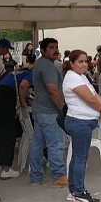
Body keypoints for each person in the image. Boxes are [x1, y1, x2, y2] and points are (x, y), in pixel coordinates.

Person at [63, 50, 101, 202]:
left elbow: (94, 94)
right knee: (80, 158)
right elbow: (89, 99)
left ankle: (73, 190)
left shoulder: (81, 76)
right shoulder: (72, 78)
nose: (84, 64)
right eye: (80, 62)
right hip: (80, 121)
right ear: (71, 63)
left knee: (77, 157)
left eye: (85, 61)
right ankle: (79, 193)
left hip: (83, 122)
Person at [29, 38, 68, 188]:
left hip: (39, 110)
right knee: (55, 144)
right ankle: (58, 176)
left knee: (38, 144)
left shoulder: (39, 63)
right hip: (50, 111)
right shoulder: (47, 66)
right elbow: (53, 90)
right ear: (43, 50)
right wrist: (62, 108)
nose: (55, 50)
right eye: (51, 47)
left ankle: (35, 176)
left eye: (56, 47)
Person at [0, 64, 32, 180]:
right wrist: (23, 103)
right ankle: (5, 169)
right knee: (7, 132)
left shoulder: (11, 74)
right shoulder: (29, 74)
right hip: (5, 97)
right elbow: (23, 86)